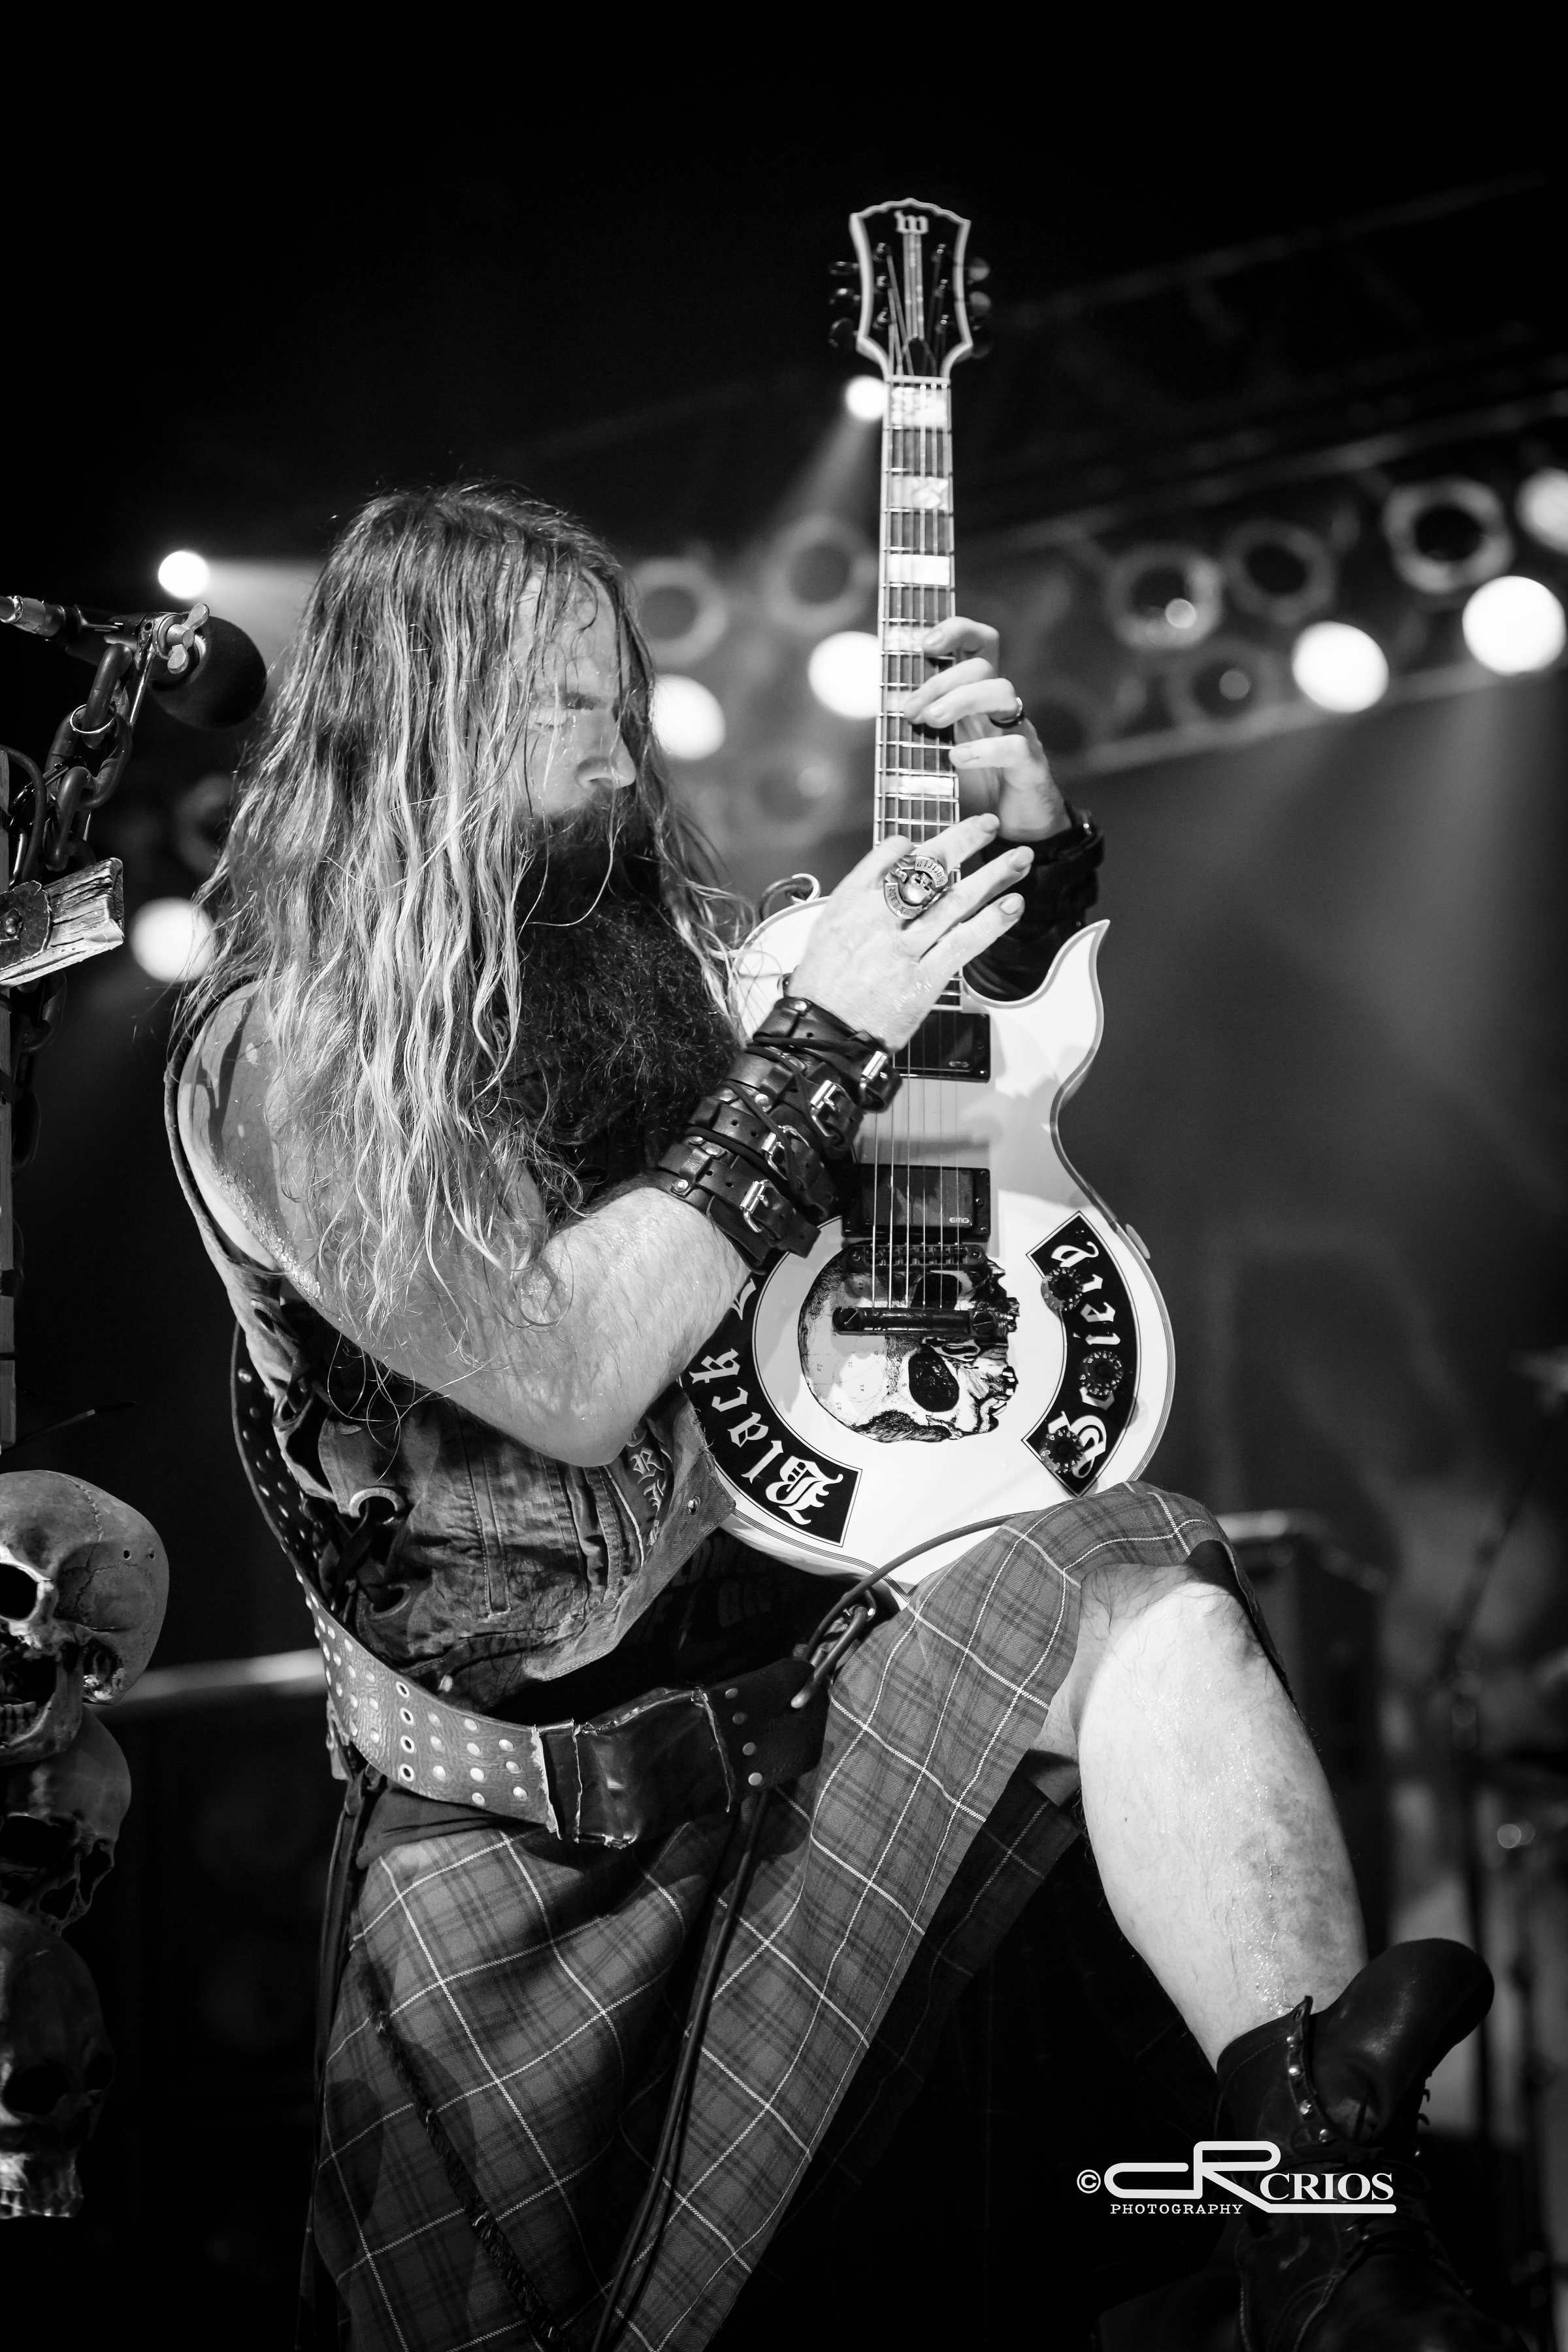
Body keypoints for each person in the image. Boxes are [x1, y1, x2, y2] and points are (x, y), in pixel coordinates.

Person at [169, 484, 1514, 2352]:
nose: (620, 740)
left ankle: (1326, 2213)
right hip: (517, 1856)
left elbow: (930, 1108)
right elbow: (568, 1375)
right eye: (565, 704)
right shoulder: (286, 1051)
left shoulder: (644, 972)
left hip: (793, 1739)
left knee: (1145, 1580)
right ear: (429, 719)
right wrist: (816, 1037)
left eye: (620, 694)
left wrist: (1015, 875)